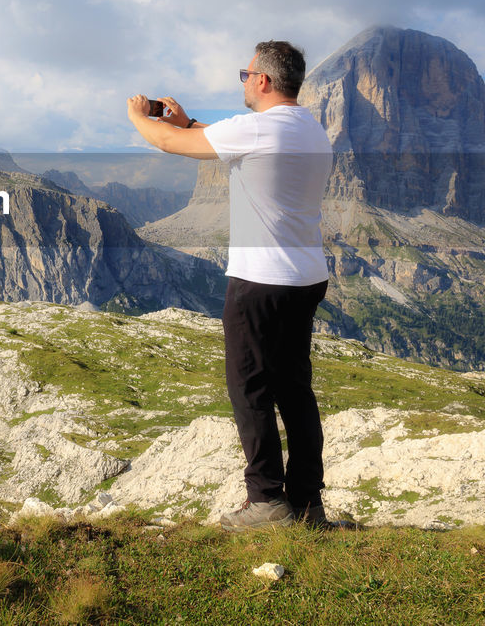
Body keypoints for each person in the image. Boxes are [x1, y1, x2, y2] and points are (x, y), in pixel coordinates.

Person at [126, 40, 333, 529]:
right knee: (295, 390)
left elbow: (168, 145)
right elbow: (215, 139)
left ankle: (265, 502)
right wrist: (187, 121)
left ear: (262, 80)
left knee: (250, 388)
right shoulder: (310, 129)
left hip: (260, 280)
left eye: (246, 74)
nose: (244, 81)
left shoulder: (256, 127)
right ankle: (307, 503)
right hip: (306, 279)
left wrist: (140, 117)